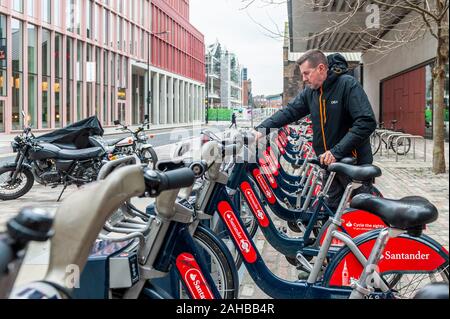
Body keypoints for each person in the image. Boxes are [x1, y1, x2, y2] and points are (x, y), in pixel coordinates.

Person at [254, 50, 377, 211]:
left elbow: (366, 122)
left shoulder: (347, 85)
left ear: (321, 68)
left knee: (360, 216)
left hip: (353, 166)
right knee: (331, 214)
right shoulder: (311, 93)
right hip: (329, 165)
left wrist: (336, 152)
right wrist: (260, 130)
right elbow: (289, 112)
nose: (304, 79)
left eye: (306, 73)